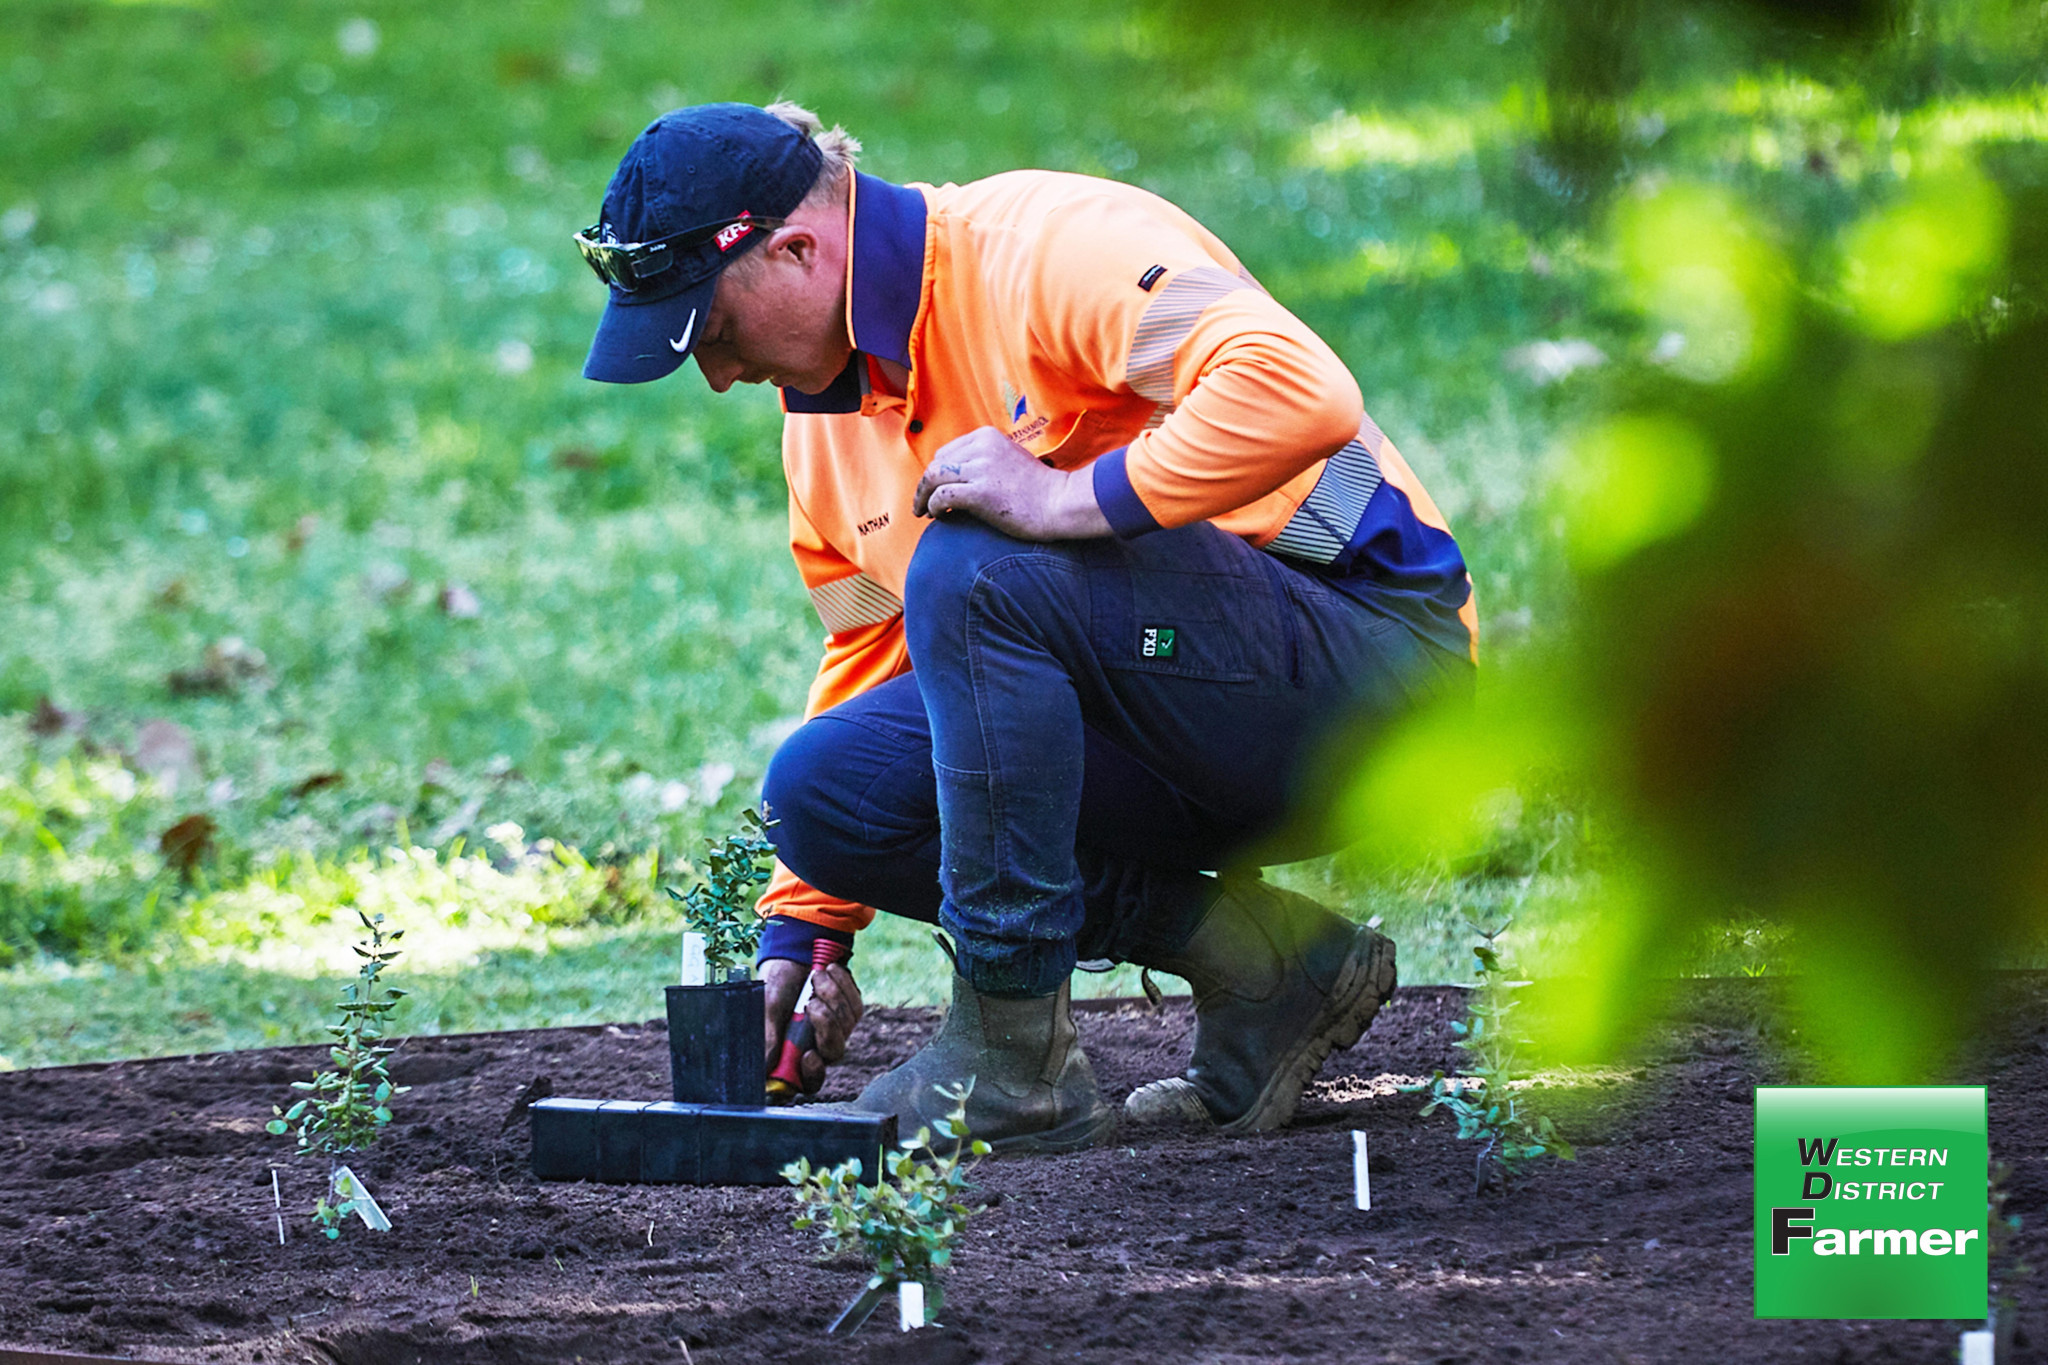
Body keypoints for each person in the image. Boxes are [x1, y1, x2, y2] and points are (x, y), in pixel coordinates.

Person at [576, 101, 1476, 1152]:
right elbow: (872, 652)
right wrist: (804, 932)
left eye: (713, 330)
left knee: (981, 561)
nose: (718, 375)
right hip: (1172, 741)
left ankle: (1013, 1059)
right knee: (824, 794)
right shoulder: (822, 429)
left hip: (1371, 686)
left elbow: (1300, 391)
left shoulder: (1048, 248)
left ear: (796, 249)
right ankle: (1268, 970)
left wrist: (1064, 499)